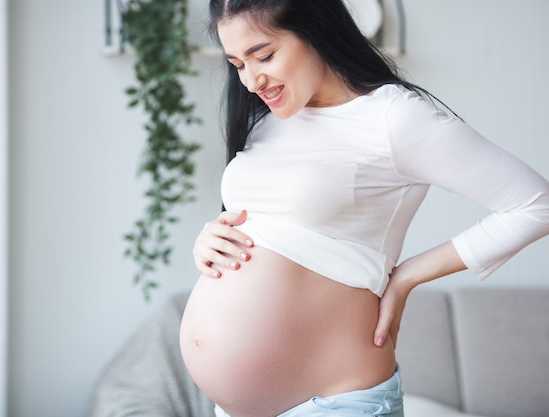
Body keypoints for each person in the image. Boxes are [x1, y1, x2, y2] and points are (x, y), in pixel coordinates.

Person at [179, 1, 549, 416]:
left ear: (316, 29)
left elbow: (537, 205)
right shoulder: (268, 119)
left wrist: (407, 275)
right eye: (237, 64)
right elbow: (275, 226)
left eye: (263, 56)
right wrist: (211, 240)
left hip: (335, 402)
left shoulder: (393, 117)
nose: (250, 80)